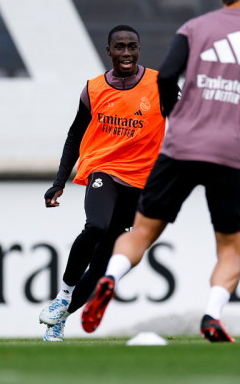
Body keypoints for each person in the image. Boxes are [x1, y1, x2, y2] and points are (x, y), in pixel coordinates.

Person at [81, 0, 240, 343]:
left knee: (142, 231)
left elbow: (166, 76)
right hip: (231, 154)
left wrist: (179, 116)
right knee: (230, 247)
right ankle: (212, 314)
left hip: (181, 147)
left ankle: (110, 278)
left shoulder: (194, 28)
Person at [38, 25, 167, 342]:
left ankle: (59, 319)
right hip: (104, 171)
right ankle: (63, 295)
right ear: (108, 51)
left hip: (142, 183)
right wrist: (59, 181)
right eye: (119, 47)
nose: (126, 53)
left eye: (132, 46)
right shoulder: (93, 90)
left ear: (139, 49)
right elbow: (74, 135)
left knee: (101, 267)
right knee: (95, 226)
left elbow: (189, 119)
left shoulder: (160, 85)